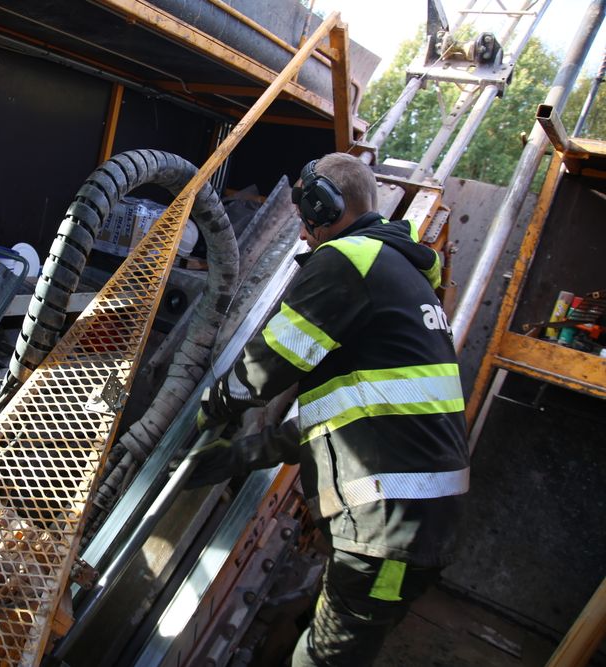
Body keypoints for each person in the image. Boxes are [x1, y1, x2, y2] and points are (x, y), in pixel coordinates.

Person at [188, 152, 470, 666]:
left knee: (323, 660)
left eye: (305, 211)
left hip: (393, 531)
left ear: (324, 205)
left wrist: (212, 407)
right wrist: (247, 452)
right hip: (406, 522)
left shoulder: (348, 261)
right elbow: (346, 420)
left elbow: (269, 362)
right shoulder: (397, 273)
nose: (302, 226)